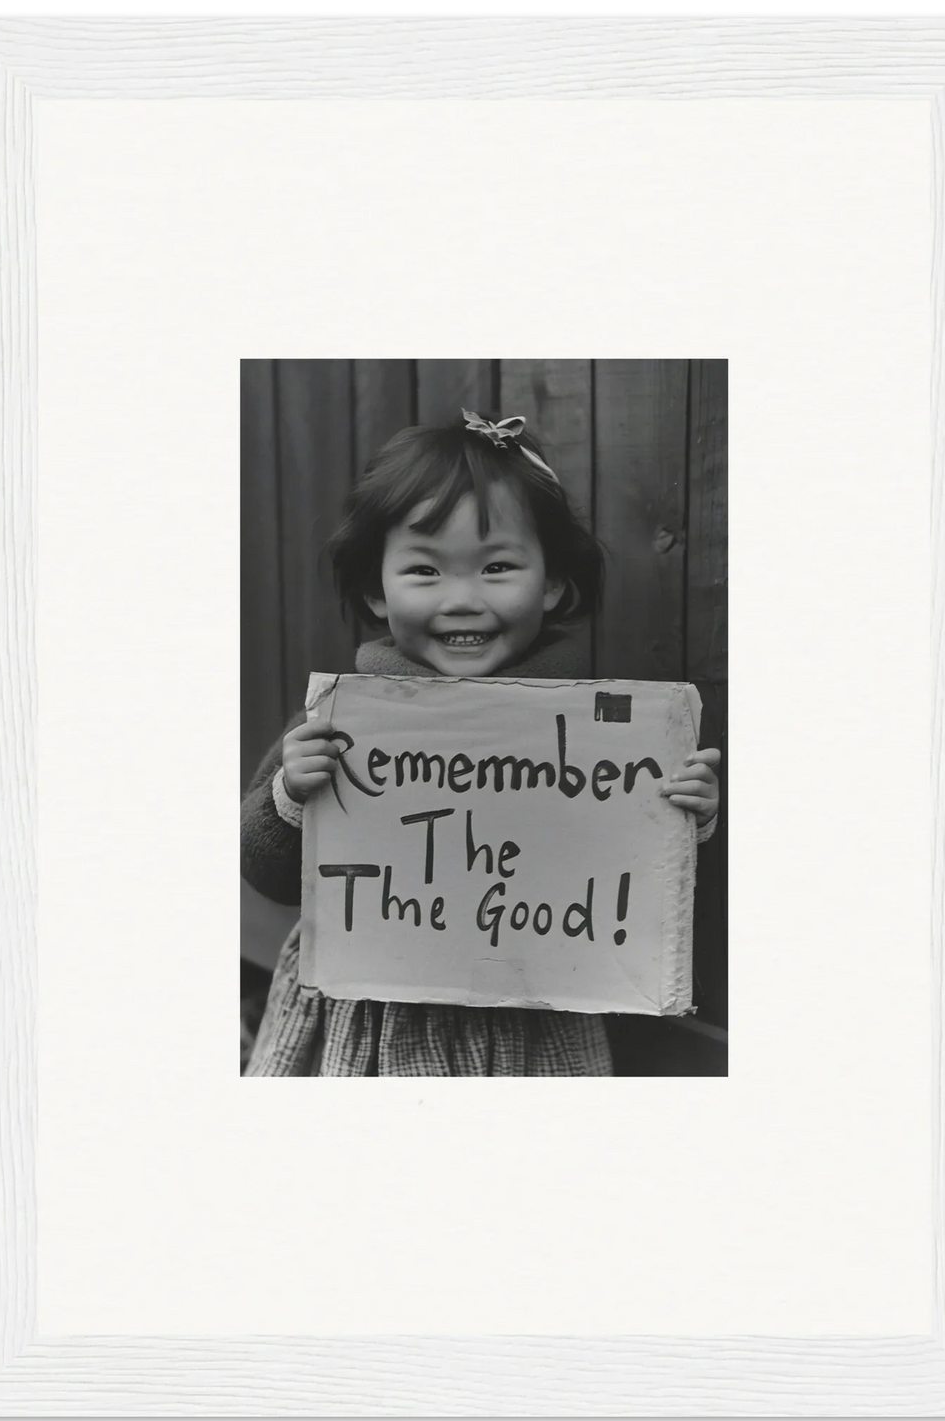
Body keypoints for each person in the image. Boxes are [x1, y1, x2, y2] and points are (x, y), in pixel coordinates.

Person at [241, 410, 720, 1076]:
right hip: (375, 1012)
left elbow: (623, 867)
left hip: (533, 1017)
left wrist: (680, 813)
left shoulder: (591, 740)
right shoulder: (339, 724)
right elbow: (264, 871)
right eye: (425, 571)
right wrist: (290, 793)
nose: (462, 598)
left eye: (496, 566)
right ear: (376, 591)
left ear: (551, 582)